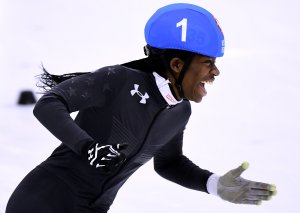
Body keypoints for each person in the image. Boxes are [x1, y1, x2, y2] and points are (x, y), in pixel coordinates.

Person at [5, 3, 276, 213]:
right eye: (208, 62)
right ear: (177, 65)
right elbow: (49, 104)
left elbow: (168, 163)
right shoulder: (118, 80)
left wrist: (214, 184)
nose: (215, 72)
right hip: (44, 200)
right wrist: (88, 147)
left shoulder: (179, 112)